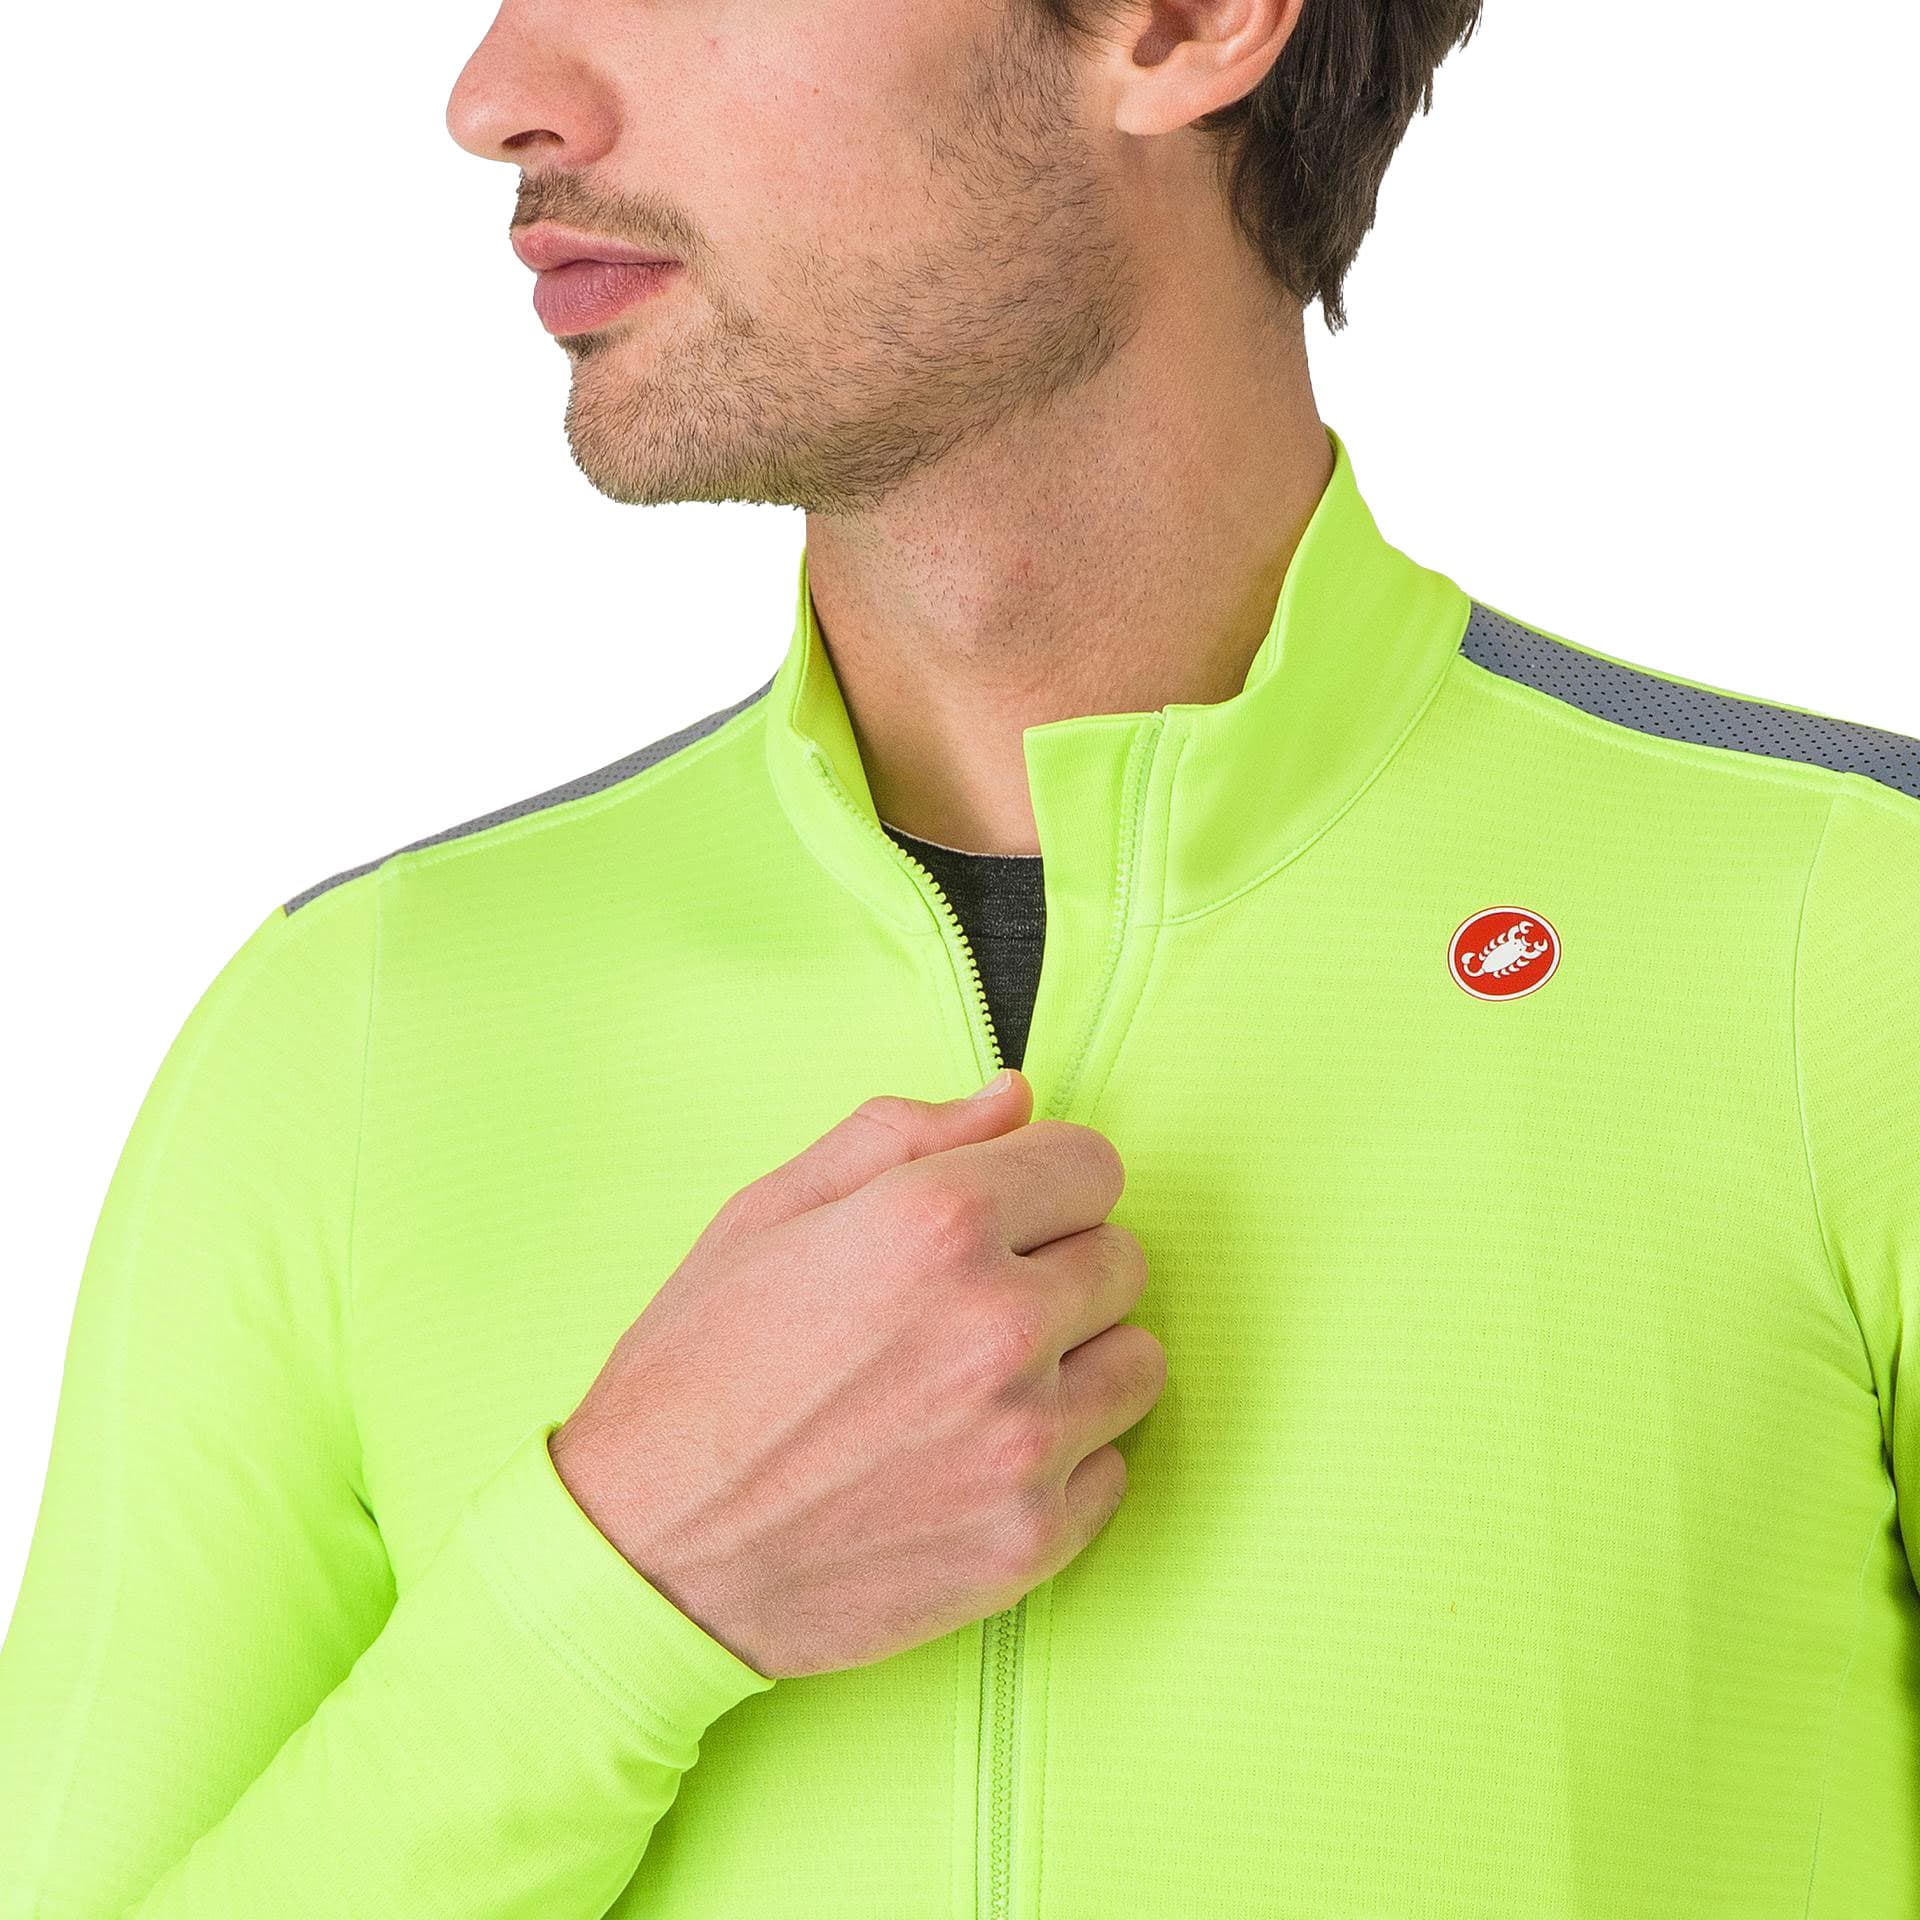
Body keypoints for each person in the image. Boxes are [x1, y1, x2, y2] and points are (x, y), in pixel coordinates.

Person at [3, 0, 1916, 1911]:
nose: (498, 95)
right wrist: (621, 1594)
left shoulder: (1850, 935)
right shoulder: (355, 1025)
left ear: (1180, 25)